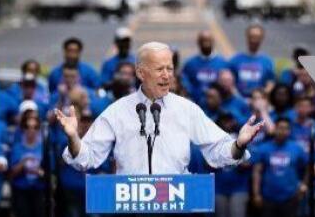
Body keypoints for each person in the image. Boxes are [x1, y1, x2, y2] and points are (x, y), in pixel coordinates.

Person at [56, 41, 262, 174]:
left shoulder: (186, 110)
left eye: (170, 69)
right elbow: (87, 158)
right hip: (130, 213)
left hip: (176, 212)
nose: (166, 75)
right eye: (159, 69)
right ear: (140, 73)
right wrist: (74, 137)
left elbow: (218, 151)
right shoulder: (117, 111)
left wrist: (239, 144)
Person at [252, 117, 307, 217]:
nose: (283, 131)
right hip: (268, 198)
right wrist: (256, 194)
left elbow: (308, 167)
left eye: (286, 128)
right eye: (280, 128)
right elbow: (257, 172)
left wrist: (304, 185)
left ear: (289, 131)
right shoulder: (264, 148)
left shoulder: (296, 148)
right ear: (275, 129)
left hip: (290, 198)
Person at [210, 114, 249, 217]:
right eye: (224, 121)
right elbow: (207, 164)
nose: (227, 124)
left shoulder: (242, 138)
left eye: (230, 121)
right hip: (218, 189)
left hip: (239, 188)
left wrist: (237, 150)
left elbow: (248, 164)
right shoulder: (212, 140)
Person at [8, 111, 46, 217]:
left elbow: (48, 171)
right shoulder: (17, 147)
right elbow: (12, 172)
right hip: (21, 190)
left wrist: (40, 172)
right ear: (23, 129)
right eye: (28, 127)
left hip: (39, 191)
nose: (31, 130)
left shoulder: (43, 147)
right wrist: (23, 164)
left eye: (35, 127)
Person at [181, 31, 229, 103]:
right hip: (196, 104)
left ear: (213, 42)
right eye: (203, 41)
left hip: (217, 107)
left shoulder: (223, 63)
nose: (206, 44)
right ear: (198, 42)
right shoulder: (190, 64)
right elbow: (185, 84)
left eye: (208, 40)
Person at [229, 24, 276, 96]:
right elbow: (229, 82)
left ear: (261, 39)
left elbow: (271, 82)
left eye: (257, 37)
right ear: (247, 37)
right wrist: (238, 97)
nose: (254, 40)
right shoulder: (235, 60)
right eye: (251, 37)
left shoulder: (268, 61)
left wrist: (262, 95)